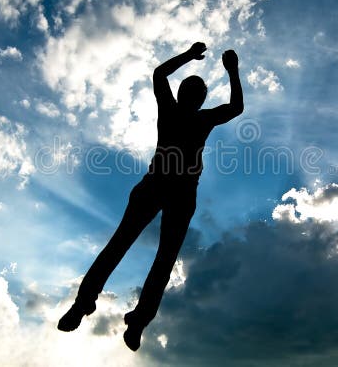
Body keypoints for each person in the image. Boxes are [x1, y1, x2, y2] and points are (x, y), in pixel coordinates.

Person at [57, 42, 244, 351]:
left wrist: (209, 63)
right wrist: (228, 69)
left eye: (194, 93)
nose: (191, 97)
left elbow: (163, 75)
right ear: (188, 97)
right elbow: (163, 77)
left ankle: (134, 320)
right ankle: (85, 305)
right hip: (159, 185)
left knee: (157, 257)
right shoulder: (185, 114)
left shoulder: (197, 118)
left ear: (195, 99)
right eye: (190, 92)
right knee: (127, 248)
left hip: (177, 192)